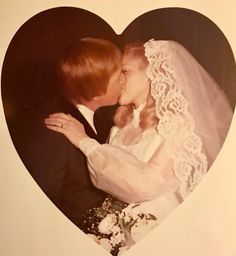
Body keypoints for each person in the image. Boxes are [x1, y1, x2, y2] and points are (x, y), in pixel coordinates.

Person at [45, 39, 233, 241]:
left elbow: (146, 184)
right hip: (118, 233)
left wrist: (85, 142)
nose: (119, 80)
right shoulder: (120, 126)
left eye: (124, 71)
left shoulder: (176, 125)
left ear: (151, 74)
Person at [25, 37, 124, 229]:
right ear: (96, 92)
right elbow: (36, 208)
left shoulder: (103, 118)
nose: (123, 80)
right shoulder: (54, 133)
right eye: (119, 75)